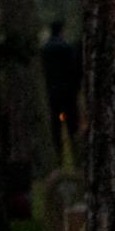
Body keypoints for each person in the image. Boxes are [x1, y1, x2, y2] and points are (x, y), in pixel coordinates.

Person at [39, 20, 82, 164]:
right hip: (68, 91)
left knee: (55, 126)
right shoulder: (67, 49)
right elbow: (75, 69)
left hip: (52, 91)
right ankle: (76, 156)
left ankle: (59, 157)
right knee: (72, 124)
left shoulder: (45, 50)